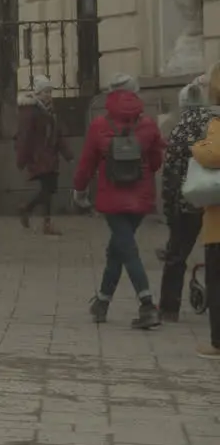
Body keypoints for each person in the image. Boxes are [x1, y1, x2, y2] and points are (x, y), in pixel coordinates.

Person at [74, 74, 166, 329]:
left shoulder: (99, 125)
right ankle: (102, 302)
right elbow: (157, 161)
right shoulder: (147, 124)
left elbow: (86, 165)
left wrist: (79, 192)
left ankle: (147, 305)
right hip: (140, 198)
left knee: (126, 249)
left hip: (111, 198)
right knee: (118, 249)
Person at [160, 75, 211, 321]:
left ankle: (169, 308)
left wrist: (169, 210)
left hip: (187, 202)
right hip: (214, 201)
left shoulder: (179, 130)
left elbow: (170, 175)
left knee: (176, 256)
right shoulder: (214, 123)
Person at [184, 64, 220, 358]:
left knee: (217, 280)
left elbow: (214, 153)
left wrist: (196, 148)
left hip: (218, 222)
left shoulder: (217, 121)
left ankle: (217, 342)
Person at [15, 76, 72, 236]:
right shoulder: (31, 111)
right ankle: (35, 214)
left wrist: (68, 154)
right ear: (38, 93)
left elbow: (58, 134)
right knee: (48, 189)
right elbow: (24, 136)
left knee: (49, 190)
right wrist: (22, 158)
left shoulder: (50, 111)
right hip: (38, 157)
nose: (48, 94)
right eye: (45, 91)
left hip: (51, 156)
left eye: (50, 91)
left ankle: (36, 214)